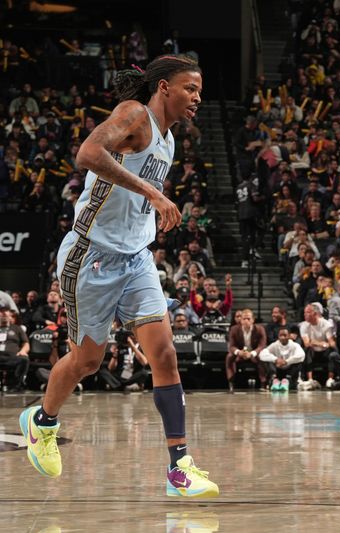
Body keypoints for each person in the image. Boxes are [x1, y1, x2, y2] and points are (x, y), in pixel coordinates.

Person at [18, 55, 219, 497]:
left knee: (164, 354)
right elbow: (88, 154)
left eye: (199, 90)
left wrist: (150, 208)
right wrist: (154, 193)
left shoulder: (168, 139)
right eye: (189, 88)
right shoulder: (134, 115)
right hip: (91, 255)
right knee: (87, 361)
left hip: (135, 258)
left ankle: (179, 466)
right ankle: (42, 421)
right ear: (164, 87)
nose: (197, 98)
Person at [225, 308, 268, 391]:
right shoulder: (234, 329)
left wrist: (252, 353)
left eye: (248, 319)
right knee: (229, 356)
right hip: (241, 354)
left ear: (253, 320)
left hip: (254, 353)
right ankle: (231, 382)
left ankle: (263, 383)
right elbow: (232, 346)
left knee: (262, 356)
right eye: (244, 319)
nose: (246, 321)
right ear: (241, 320)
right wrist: (239, 352)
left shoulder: (260, 329)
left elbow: (262, 345)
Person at [258, 326, 305, 391]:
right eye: (281, 335)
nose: (282, 337)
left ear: (289, 336)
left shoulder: (295, 345)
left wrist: (287, 361)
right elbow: (262, 354)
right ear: (278, 336)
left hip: (290, 370)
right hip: (278, 369)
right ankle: (275, 380)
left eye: (285, 335)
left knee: (299, 361)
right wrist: (276, 359)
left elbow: (301, 355)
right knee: (266, 359)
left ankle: (287, 381)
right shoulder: (274, 345)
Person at [0, 308, 30, 391]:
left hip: (12, 357)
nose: (4, 317)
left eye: (6, 315)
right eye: (1, 315)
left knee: (24, 360)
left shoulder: (17, 328)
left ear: (10, 317)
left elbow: (26, 343)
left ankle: (16, 386)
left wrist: (23, 351)